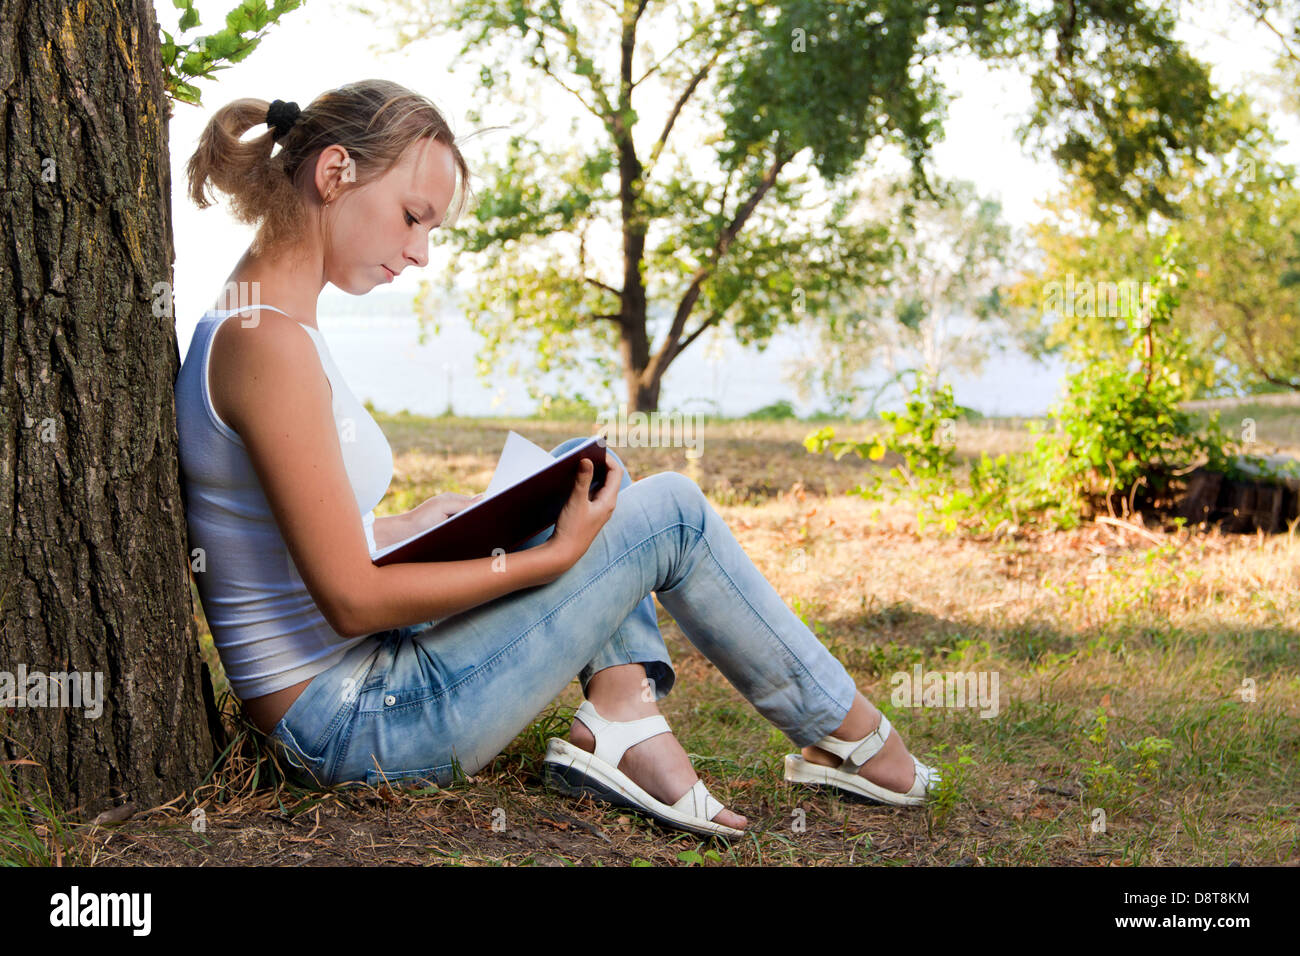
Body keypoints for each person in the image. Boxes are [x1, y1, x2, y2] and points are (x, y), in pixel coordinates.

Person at [175, 79, 940, 840]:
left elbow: (288, 545)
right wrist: (548, 560)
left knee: (584, 469)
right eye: (414, 217)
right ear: (334, 172)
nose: (421, 252)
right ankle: (853, 738)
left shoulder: (263, 322)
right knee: (668, 512)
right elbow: (350, 602)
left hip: (363, 684)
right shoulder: (266, 341)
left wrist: (406, 524)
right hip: (357, 726)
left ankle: (627, 722)